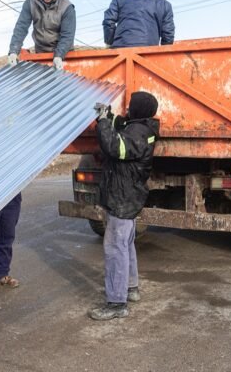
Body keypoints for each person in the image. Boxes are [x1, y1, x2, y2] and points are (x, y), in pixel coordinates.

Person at [89, 92, 159, 321]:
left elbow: (115, 146)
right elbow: (122, 127)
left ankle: (116, 303)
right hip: (127, 196)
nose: (127, 109)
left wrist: (102, 122)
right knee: (126, 244)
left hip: (123, 197)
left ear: (138, 109)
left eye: (131, 106)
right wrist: (109, 117)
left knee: (115, 248)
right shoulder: (141, 129)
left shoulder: (139, 133)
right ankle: (130, 288)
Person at [7, 0, 76, 70]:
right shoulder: (30, 2)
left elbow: (67, 36)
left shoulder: (67, 7)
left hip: (64, 56)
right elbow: (21, 27)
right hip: (41, 54)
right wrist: (13, 51)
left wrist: (59, 55)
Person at [102, 0, 175, 48]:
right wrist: (163, 52)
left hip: (121, 49)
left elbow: (109, 20)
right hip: (149, 52)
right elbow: (168, 34)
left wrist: (110, 41)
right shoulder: (165, 4)